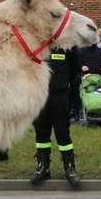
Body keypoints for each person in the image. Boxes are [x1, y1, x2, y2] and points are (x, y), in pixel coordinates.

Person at [29, 46, 82, 187]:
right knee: (41, 133)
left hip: (60, 94)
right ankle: (43, 167)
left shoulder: (66, 44)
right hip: (39, 95)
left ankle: (70, 168)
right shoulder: (36, 42)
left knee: (62, 131)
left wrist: (63, 83)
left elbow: (75, 66)